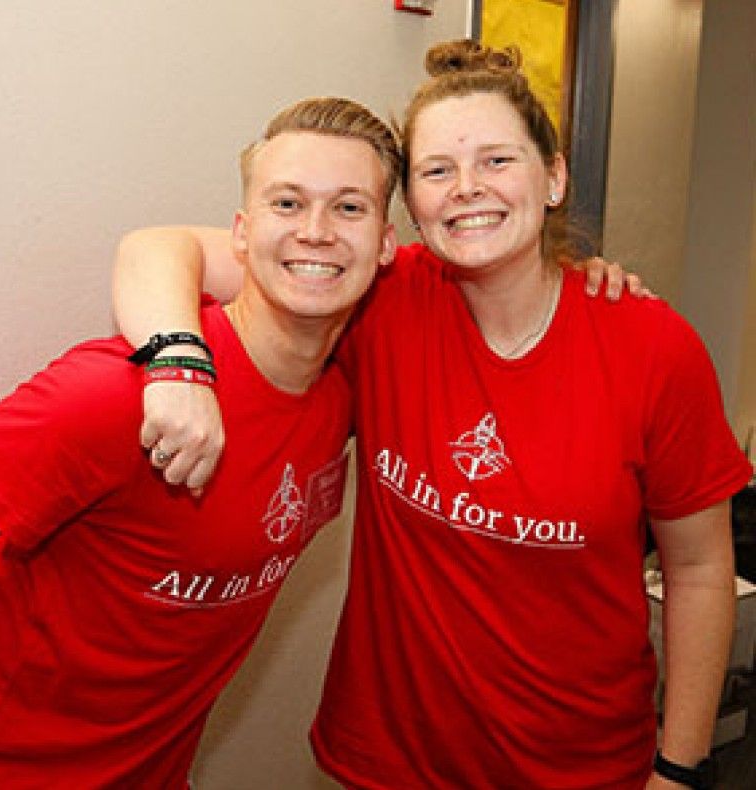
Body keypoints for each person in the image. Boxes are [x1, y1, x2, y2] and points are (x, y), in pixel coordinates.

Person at [112, 40, 752, 789]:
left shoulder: (651, 346)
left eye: (497, 162)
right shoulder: (378, 299)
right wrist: (177, 362)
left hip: (581, 766)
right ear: (408, 206)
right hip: (388, 760)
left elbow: (702, 568)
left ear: (553, 178)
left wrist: (678, 766)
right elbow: (154, 250)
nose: (466, 189)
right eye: (437, 171)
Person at [0, 97, 401, 787]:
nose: (315, 231)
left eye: (349, 208)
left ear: (385, 242)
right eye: (287, 204)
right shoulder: (109, 398)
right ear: (240, 233)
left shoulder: (343, 392)